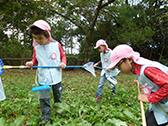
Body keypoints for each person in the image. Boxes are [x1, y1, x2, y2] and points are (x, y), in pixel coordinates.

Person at [106, 44, 168, 126]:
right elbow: (152, 81)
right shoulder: (138, 68)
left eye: (118, 65)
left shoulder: (147, 69)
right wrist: (140, 81)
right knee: (146, 120)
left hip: (163, 105)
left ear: (130, 60)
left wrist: (149, 98)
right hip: (159, 106)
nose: (119, 69)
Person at [26, 20, 66, 124]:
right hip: (43, 78)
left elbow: (63, 56)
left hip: (56, 76)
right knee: (44, 99)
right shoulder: (36, 48)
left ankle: (60, 112)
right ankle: (45, 117)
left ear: (47, 35)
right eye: (35, 38)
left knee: (58, 96)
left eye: (40, 38)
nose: (37, 40)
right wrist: (31, 63)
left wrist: (63, 63)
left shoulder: (56, 45)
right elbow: (35, 60)